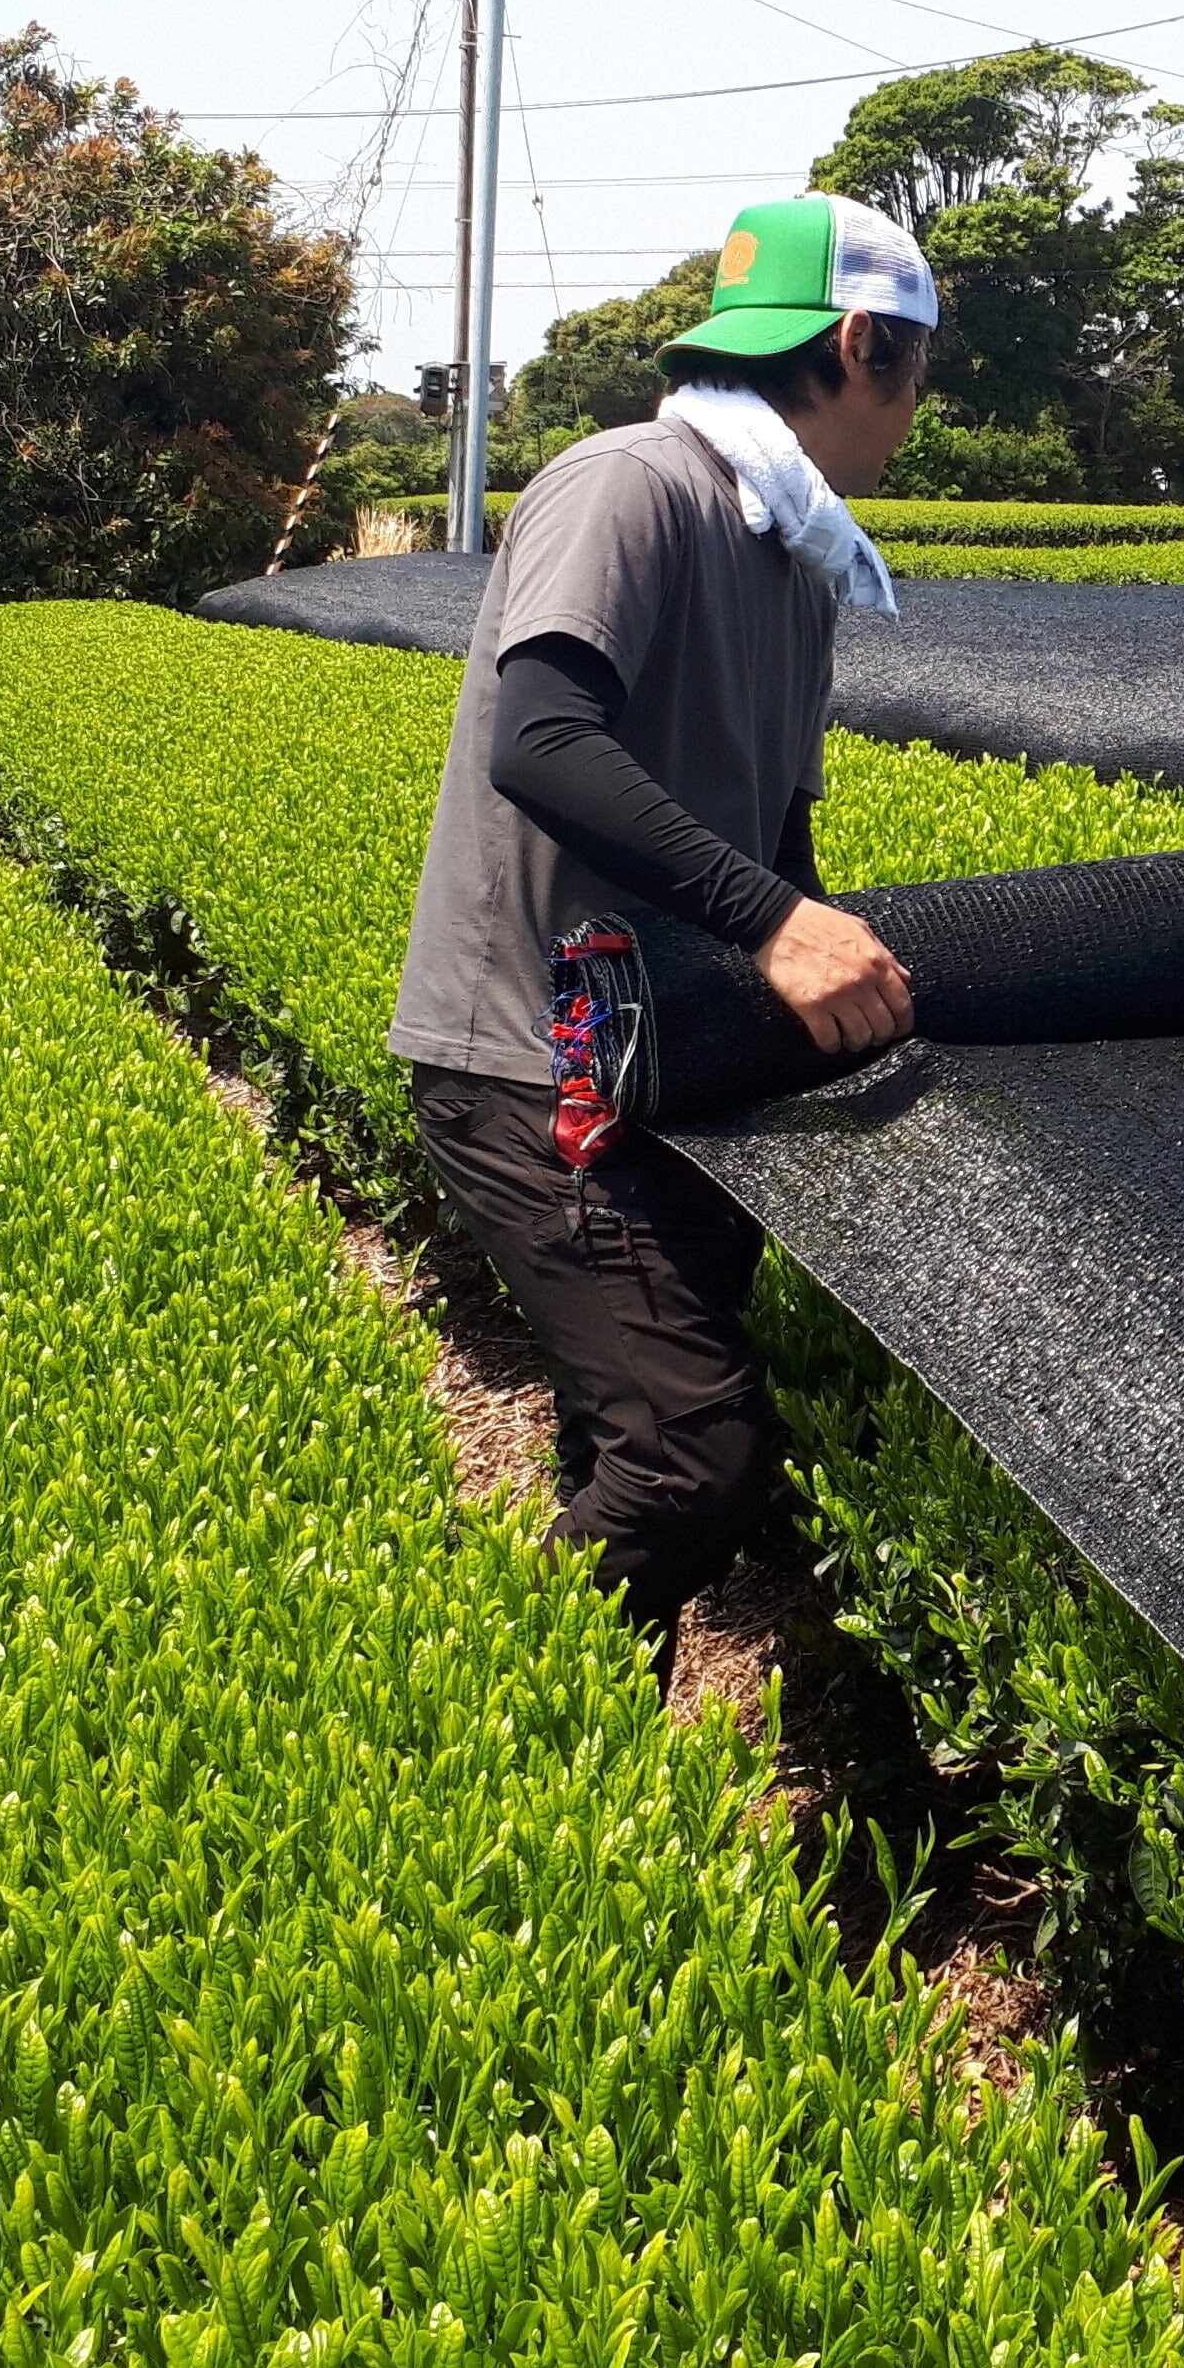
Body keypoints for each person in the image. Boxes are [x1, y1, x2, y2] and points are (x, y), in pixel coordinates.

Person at [386, 190, 935, 1654]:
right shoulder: (631, 483)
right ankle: (458, 1735)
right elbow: (545, 742)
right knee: (692, 1457)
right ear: (863, 340)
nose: (917, 412)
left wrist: (822, 976)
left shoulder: (802, 547)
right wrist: (772, 924)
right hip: (535, 1058)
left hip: (674, 1059)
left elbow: (779, 838)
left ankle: (575, 1780)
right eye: (922, 369)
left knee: (618, 1447)